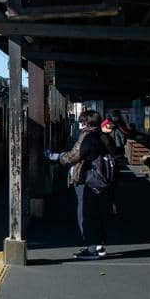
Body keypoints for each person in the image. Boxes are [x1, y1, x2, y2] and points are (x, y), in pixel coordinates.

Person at [46, 110, 109, 259]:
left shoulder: (86, 137)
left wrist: (57, 157)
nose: (80, 124)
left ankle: (91, 249)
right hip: (101, 181)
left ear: (86, 123)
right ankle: (98, 246)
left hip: (88, 180)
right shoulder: (103, 136)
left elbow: (73, 156)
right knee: (97, 213)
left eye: (81, 121)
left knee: (86, 214)